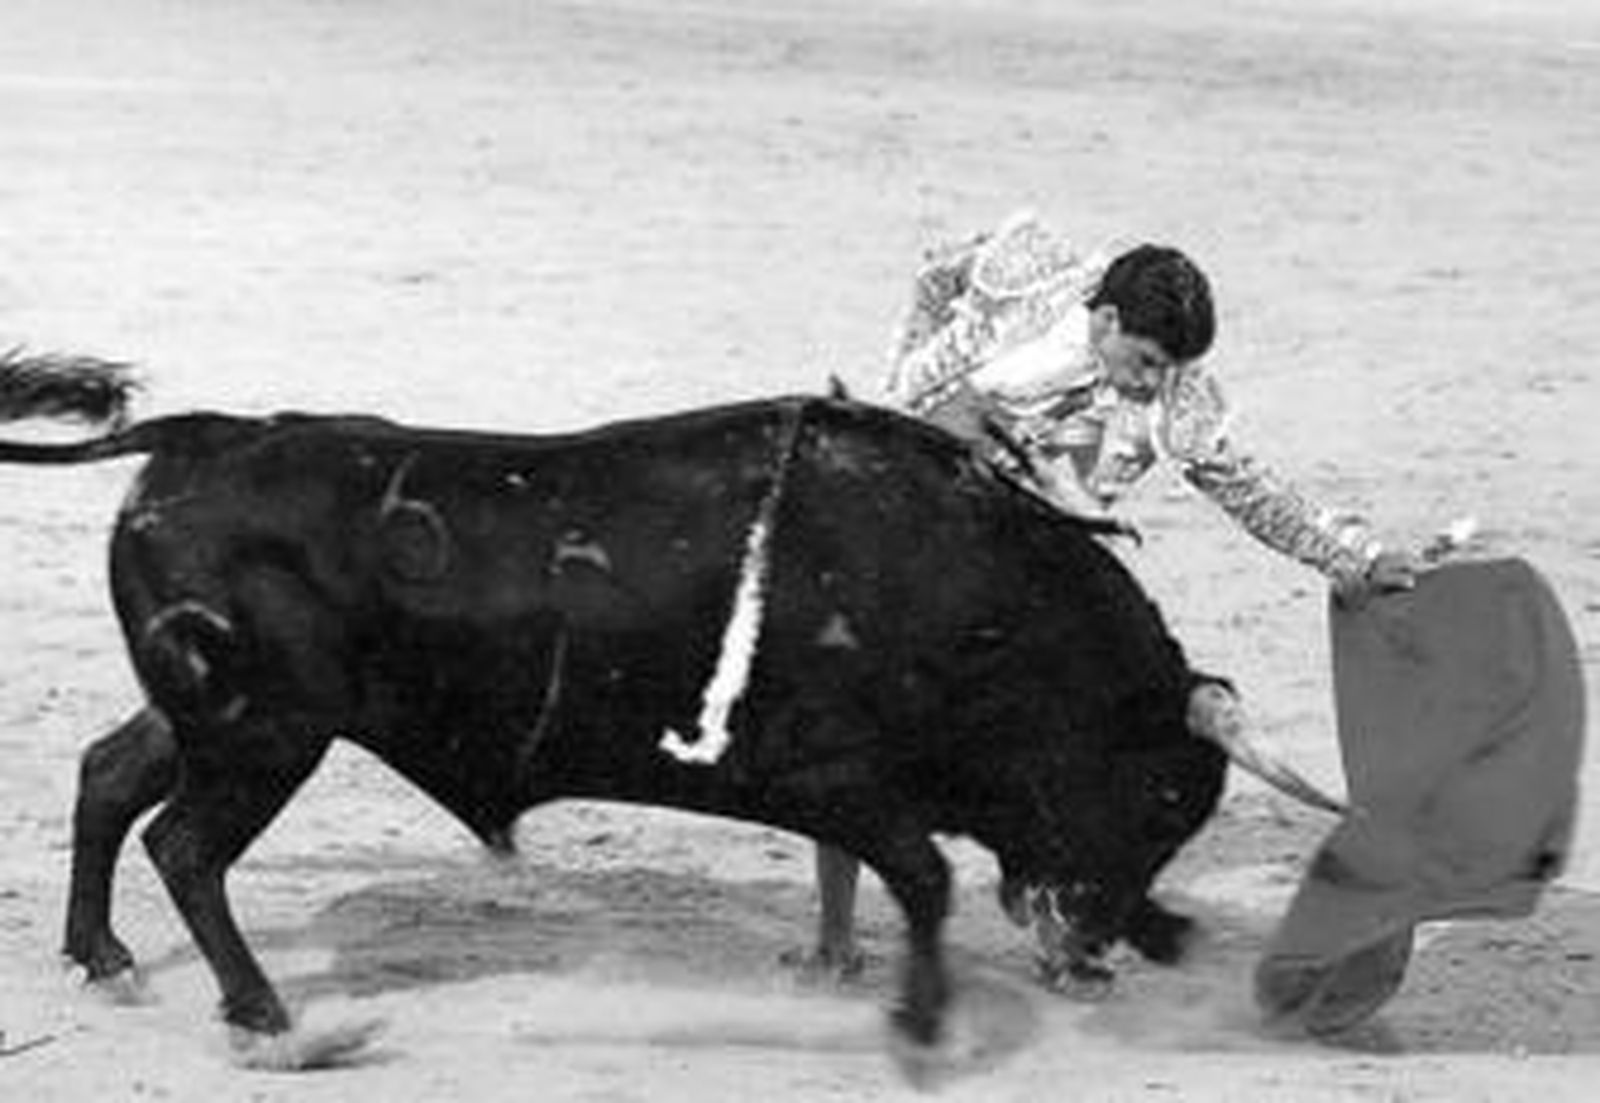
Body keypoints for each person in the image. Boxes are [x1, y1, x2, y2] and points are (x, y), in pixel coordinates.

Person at [805, 210, 1418, 977]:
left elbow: (1250, 488)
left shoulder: (1176, 393)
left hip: (1028, 561)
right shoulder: (1027, 274)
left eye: (1169, 368)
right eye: (1146, 358)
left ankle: (1056, 929)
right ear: (1104, 318)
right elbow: (940, 274)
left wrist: (1350, 557)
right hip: (913, 530)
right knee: (854, 727)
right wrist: (903, 390)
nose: (1155, 380)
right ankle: (834, 942)